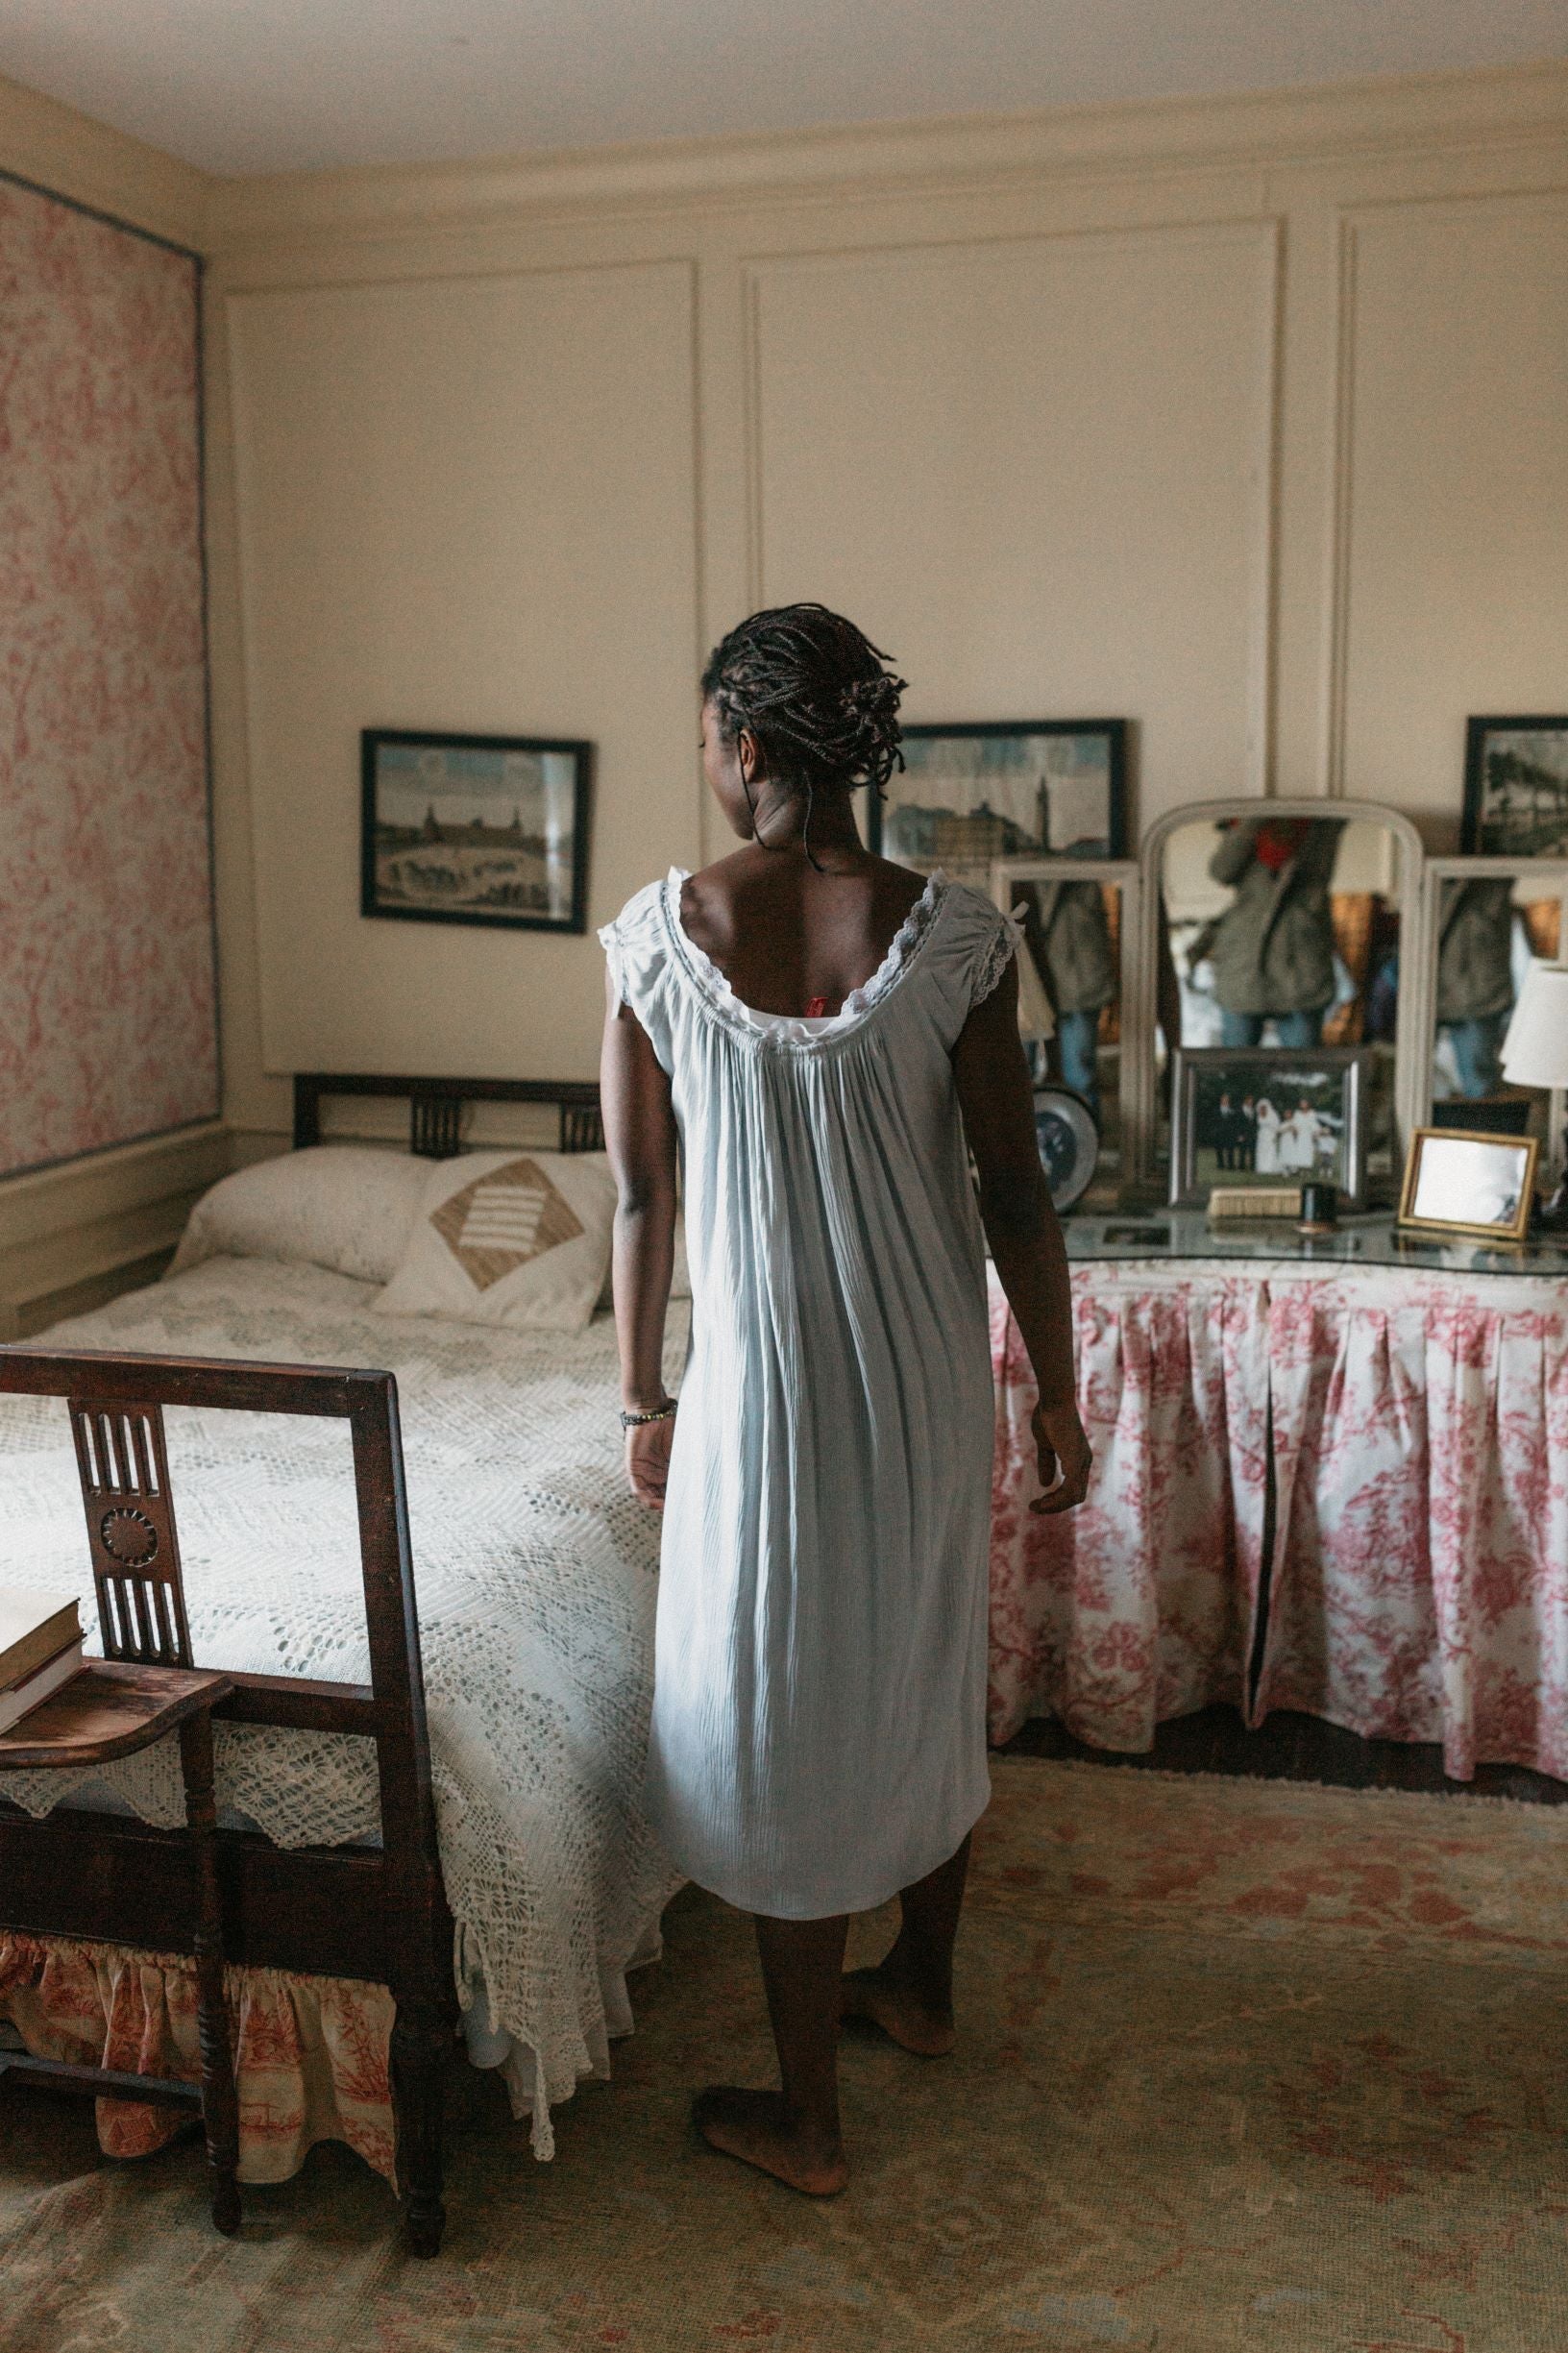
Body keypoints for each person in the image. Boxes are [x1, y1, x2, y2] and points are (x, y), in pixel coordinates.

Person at [600, 603, 1091, 2197]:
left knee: (781, 1715)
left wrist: (638, 1393)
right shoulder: (954, 934)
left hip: (768, 1398)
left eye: (703, 736)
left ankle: (805, 2113)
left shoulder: (657, 942)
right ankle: (925, 1987)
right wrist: (1059, 1395)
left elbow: (634, 1197)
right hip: (929, 1380)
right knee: (924, 1659)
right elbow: (1018, 1191)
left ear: (744, 743)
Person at [1207, 817, 1343, 1049]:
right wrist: (1255, 819)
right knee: (1235, 1071)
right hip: (1243, 965)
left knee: (1304, 1075)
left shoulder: (1321, 823)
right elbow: (1221, 871)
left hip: (1301, 964)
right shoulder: (1242, 821)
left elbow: (1318, 874)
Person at [1436, 878, 1515, 1098]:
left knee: (1478, 1085)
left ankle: (1481, 1131)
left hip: (1479, 997)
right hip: (1438, 990)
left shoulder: (1490, 883)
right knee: (1420, 1084)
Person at [1253, 1096, 1282, 1174]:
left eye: (1264, 1107)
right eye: (1261, 1107)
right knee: (1261, 1151)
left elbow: (1276, 1126)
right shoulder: (1259, 1115)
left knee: (1270, 1151)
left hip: (1270, 1135)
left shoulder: (1273, 1114)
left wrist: (1275, 1135)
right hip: (1262, 1136)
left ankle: (1269, 1168)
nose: (1263, 1108)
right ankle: (1262, 1168)